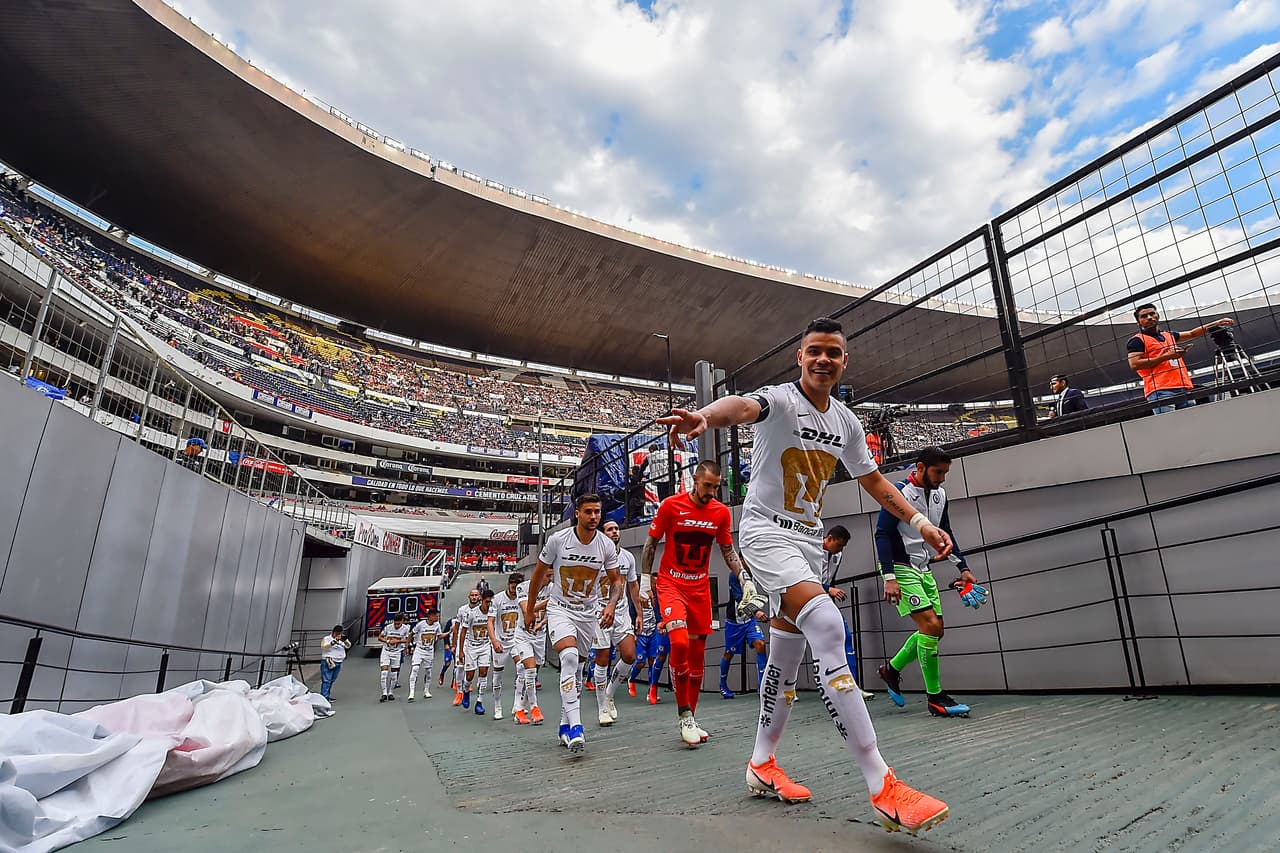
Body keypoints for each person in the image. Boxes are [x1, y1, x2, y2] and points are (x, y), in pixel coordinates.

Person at [659, 316, 951, 835]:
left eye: (833, 353)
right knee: (830, 627)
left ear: (844, 361)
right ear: (800, 357)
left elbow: (875, 481)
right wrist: (705, 416)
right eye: (814, 351)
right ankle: (882, 783)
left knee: (785, 657)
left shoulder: (847, 422)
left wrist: (921, 521)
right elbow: (743, 407)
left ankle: (761, 762)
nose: (823, 360)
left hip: (808, 542)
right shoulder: (781, 400)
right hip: (766, 535)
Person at [875, 447, 986, 720]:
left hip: (923, 567)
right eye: (939, 472)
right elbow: (882, 534)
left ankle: (891, 670)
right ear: (921, 467)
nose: (943, 478)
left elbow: (945, 533)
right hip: (900, 567)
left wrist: (963, 567)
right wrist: (889, 577)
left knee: (936, 632)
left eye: (945, 473)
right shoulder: (899, 492)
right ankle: (936, 698)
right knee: (930, 626)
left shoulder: (940, 495)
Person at [640, 460, 741, 747]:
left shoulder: (720, 513)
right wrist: (646, 580)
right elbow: (650, 543)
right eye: (707, 485)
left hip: (700, 590)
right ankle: (683, 713)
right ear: (695, 480)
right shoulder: (671, 506)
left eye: (716, 487)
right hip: (671, 584)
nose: (711, 492)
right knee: (680, 644)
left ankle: (691, 718)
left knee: (697, 661)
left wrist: (744, 579)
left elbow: (728, 550)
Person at [525, 493, 623, 755]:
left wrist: (611, 605)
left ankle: (563, 724)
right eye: (588, 512)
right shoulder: (558, 541)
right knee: (568, 658)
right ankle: (577, 727)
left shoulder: (605, 545)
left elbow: (616, 581)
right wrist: (530, 610)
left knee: (578, 670)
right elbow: (537, 576)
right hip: (560, 609)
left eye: (598, 512)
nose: (594, 517)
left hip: (588, 614)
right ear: (577, 513)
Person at [1126, 304, 1235, 414]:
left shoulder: (1168, 335)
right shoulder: (1137, 340)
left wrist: (1216, 323)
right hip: (1161, 390)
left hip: (1184, 387)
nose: (1149, 317)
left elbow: (1192, 333)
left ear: (1157, 315)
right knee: (1172, 426)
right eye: (1144, 316)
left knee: (1190, 424)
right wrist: (1167, 356)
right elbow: (1134, 364)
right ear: (1138, 322)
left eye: (1152, 313)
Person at [595, 520, 643, 726]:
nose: (614, 532)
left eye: (616, 528)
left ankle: (609, 694)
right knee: (603, 659)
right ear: (603, 534)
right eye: (609, 529)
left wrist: (639, 613)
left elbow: (633, 587)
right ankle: (602, 708)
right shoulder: (594, 555)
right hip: (600, 612)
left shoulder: (627, 557)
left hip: (622, 613)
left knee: (630, 655)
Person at [820, 526, 874, 701]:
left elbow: (831, 579)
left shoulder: (838, 555)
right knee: (799, 646)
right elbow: (807, 580)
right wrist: (829, 589)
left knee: (846, 637)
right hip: (806, 603)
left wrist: (830, 594)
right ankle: (786, 689)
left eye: (843, 546)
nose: (840, 549)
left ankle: (853, 687)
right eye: (839, 545)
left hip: (826, 602)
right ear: (828, 539)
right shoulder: (811, 551)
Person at [719, 566, 767, 699]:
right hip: (735, 621)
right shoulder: (733, 575)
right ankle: (723, 685)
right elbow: (739, 597)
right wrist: (756, 611)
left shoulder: (756, 571)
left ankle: (763, 686)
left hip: (750, 621)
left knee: (761, 644)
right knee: (729, 653)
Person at [510, 574, 548, 725]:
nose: (550, 580)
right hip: (523, 634)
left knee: (529, 673)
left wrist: (542, 623)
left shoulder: (552, 587)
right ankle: (534, 707)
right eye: (548, 576)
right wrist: (549, 601)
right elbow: (527, 610)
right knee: (530, 670)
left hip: (539, 635)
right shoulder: (523, 587)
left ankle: (519, 707)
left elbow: (552, 611)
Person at [489, 573, 526, 720]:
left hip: (516, 640)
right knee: (498, 676)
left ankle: (517, 705)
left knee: (522, 668)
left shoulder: (522, 598)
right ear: (508, 584)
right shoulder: (497, 600)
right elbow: (490, 621)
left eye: (517, 586)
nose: (514, 589)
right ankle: (497, 706)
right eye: (512, 586)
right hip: (501, 641)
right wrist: (494, 641)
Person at [628, 575, 669, 705]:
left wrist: (660, 624)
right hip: (640, 633)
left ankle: (651, 692)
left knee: (653, 661)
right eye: (653, 583)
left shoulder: (657, 598)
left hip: (652, 633)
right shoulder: (638, 598)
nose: (655, 585)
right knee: (640, 662)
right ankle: (631, 679)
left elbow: (659, 615)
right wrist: (632, 633)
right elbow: (631, 615)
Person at [459, 589, 496, 717]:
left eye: (491, 602)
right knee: (469, 675)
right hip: (471, 647)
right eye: (487, 602)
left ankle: (479, 702)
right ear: (482, 600)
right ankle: (466, 690)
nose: (489, 605)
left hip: (485, 646)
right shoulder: (472, 614)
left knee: (483, 673)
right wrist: (460, 651)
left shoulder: (493, 613)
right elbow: (463, 632)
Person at [451, 589, 481, 706]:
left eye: (476, 595)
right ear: (469, 597)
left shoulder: (483, 610)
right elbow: (456, 628)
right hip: (462, 641)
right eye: (472, 595)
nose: (474, 597)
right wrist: (454, 644)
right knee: (459, 666)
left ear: (479, 597)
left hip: (477, 642)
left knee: (476, 667)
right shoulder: (462, 610)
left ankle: (472, 687)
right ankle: (459, 692)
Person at [407, 607, 441, 702]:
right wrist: (407, 646)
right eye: (436, 616)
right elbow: (411, 634)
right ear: (430, 616)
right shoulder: (421, 625)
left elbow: (439, 636)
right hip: (419, 650)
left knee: (428, 671)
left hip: (429, 651)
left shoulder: (437, 625)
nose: (437, 618)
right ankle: (411, 693)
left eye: (438, 616)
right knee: (415, 669)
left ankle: (426, 690)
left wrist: (450, 632)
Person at [378, 612, 411, 703]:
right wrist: (388, 640)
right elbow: (380, 637)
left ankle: (390, 692)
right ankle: (384, 693)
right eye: (395, 623)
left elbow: (407, 639)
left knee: (394, 674)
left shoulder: (405, 629)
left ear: (402, 622)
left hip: (397, 652)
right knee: (384, 673)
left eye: (398, 624)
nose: (396, 625)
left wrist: (399, 641)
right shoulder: (388, 627)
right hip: (386, 651)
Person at [319, 624, 351, 702]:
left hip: (338, 662)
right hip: (329, 661)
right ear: (333, 632)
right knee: (326, 680)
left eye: (339, 633)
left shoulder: (341, 639)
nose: (338, 635)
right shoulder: (326, 639)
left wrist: (345, 640)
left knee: (332, 679)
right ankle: (324, 697)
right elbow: (323, 646)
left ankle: (327, 695)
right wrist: (332, 643)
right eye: (336, 633)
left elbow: (348, 646)